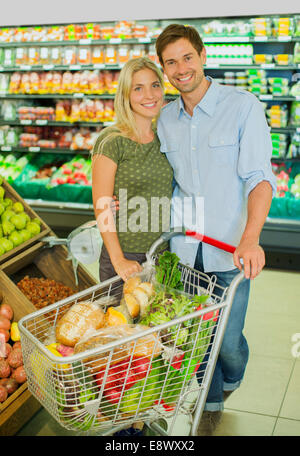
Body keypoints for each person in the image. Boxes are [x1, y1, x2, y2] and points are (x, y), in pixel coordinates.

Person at [155, 24, 277, 435]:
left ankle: (232, 376)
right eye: (171, 62)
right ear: (164, 69)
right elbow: (165, 180)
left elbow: (260, 178)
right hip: (185, 248)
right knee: (198, 335)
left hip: (230, 248)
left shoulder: (242, 106)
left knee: (227, 341)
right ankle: (208, 404)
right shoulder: (166, 119)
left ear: (203, 56)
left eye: (187, 57)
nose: (180, 68)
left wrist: (251, 237)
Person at [91, 57, 173, 285]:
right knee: (121, 321)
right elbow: (102, 206)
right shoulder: (112, 141)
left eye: (155, 85)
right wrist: (119, 260)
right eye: (138, 88)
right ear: (125, 94)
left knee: (159, 320)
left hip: (162, 253)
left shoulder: (165, 137)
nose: (150, 95)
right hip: (125, 256)